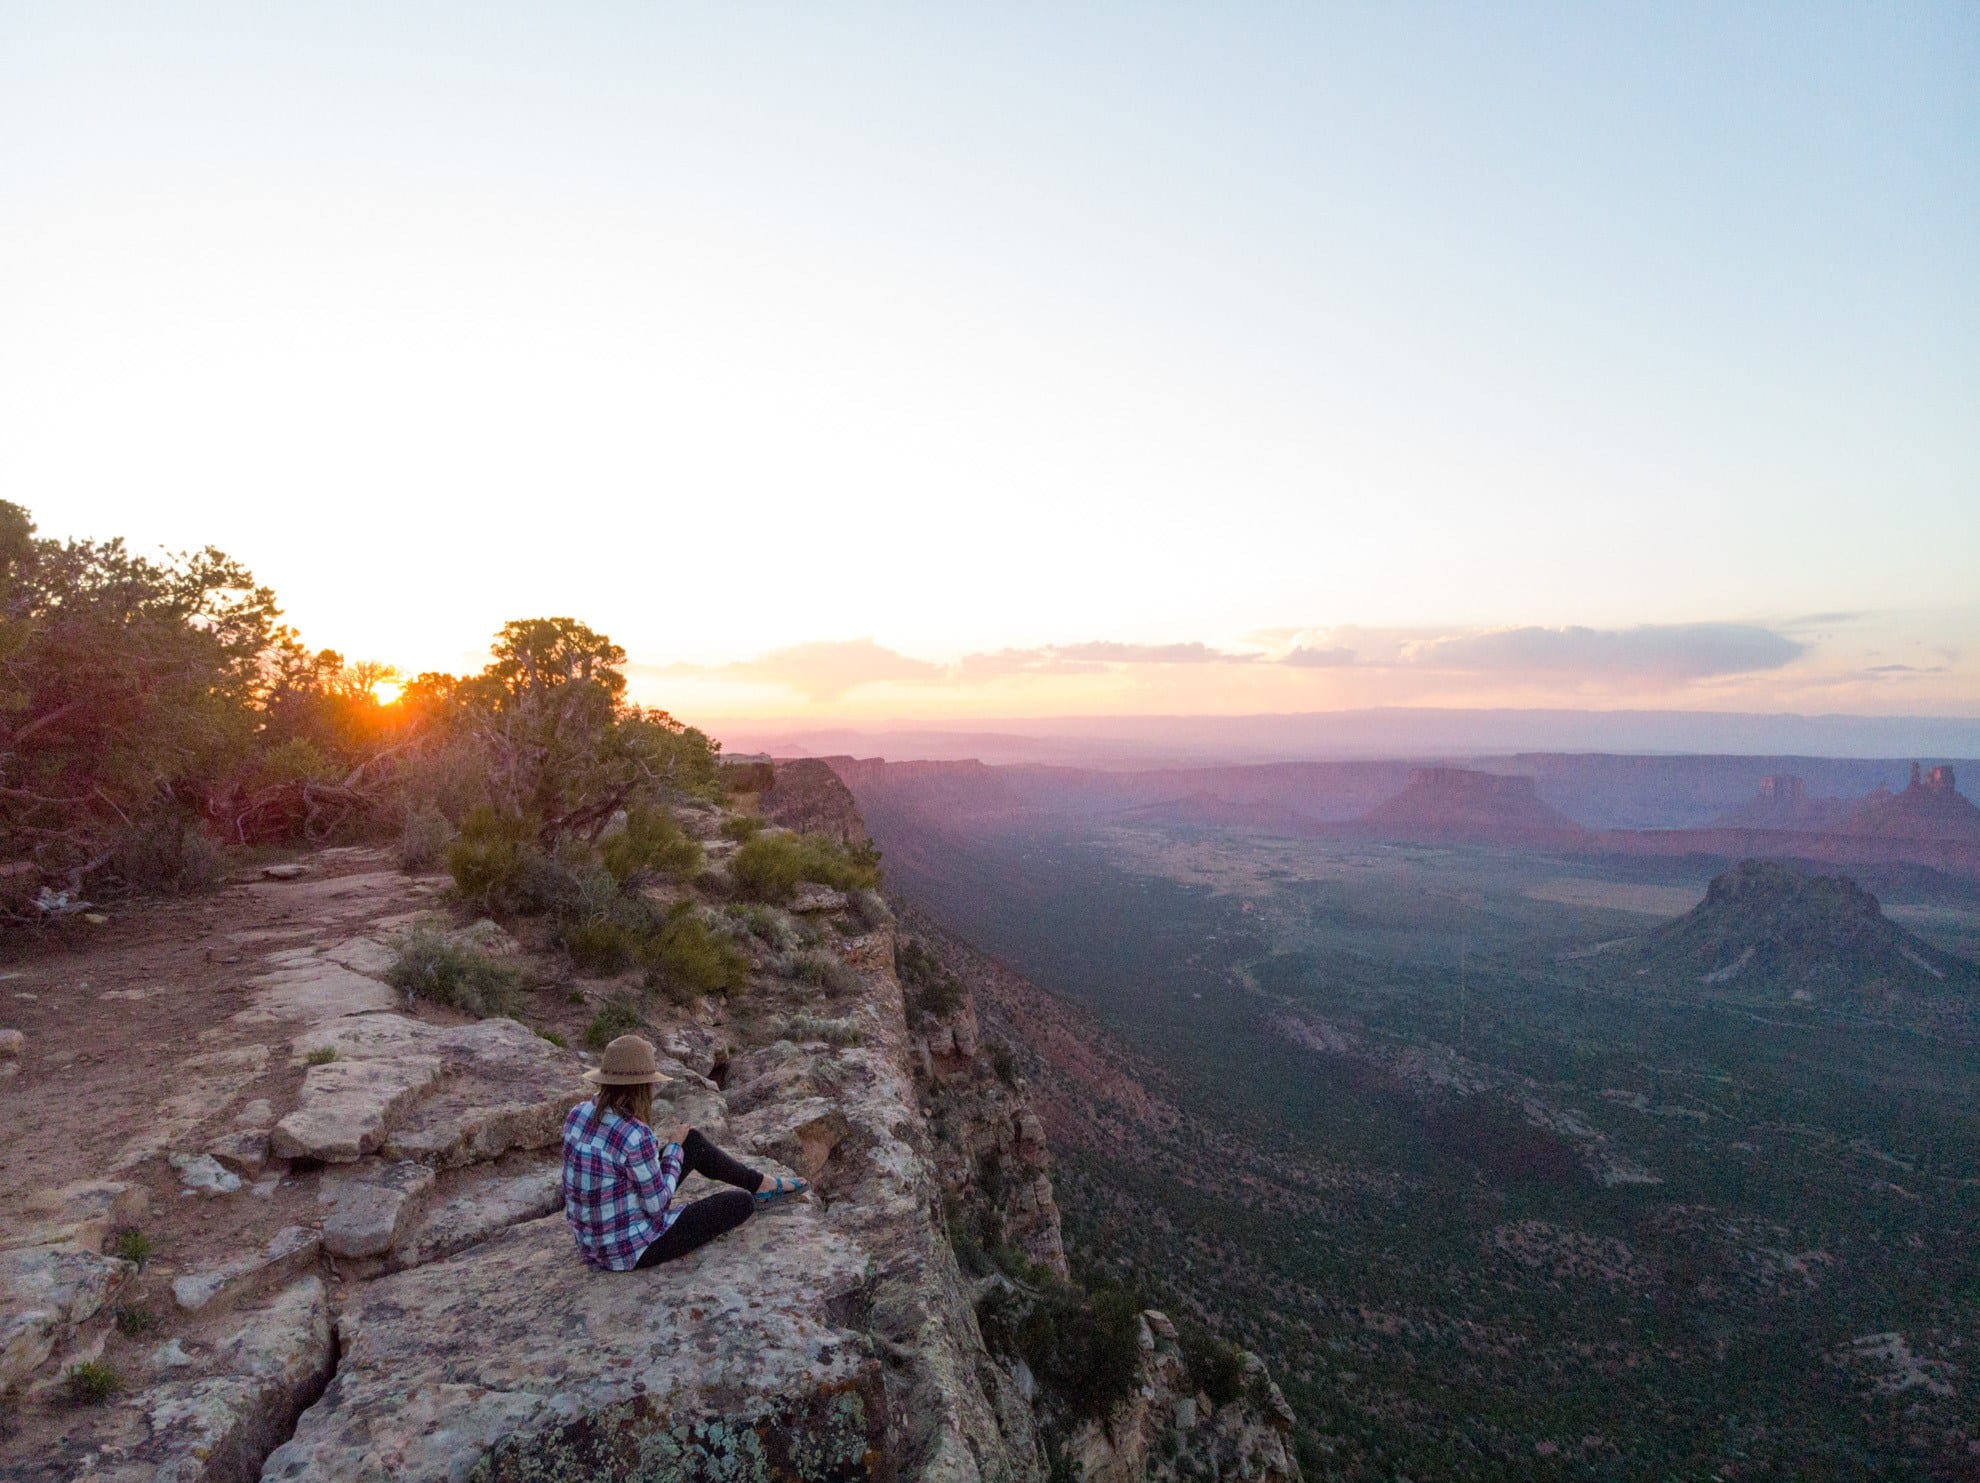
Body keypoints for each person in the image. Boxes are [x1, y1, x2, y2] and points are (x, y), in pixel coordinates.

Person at [561, 1033, 808, 1271]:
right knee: (740, 1203)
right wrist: (674, 1150)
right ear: (643, 1086)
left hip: (590, 1243)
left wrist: (677, 1148)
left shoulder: (578, 1113)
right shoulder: (635, 1135)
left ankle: (760, 1183)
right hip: (629, 1250)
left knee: (692, 1141)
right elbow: (657, 1207)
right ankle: (759, 1187)